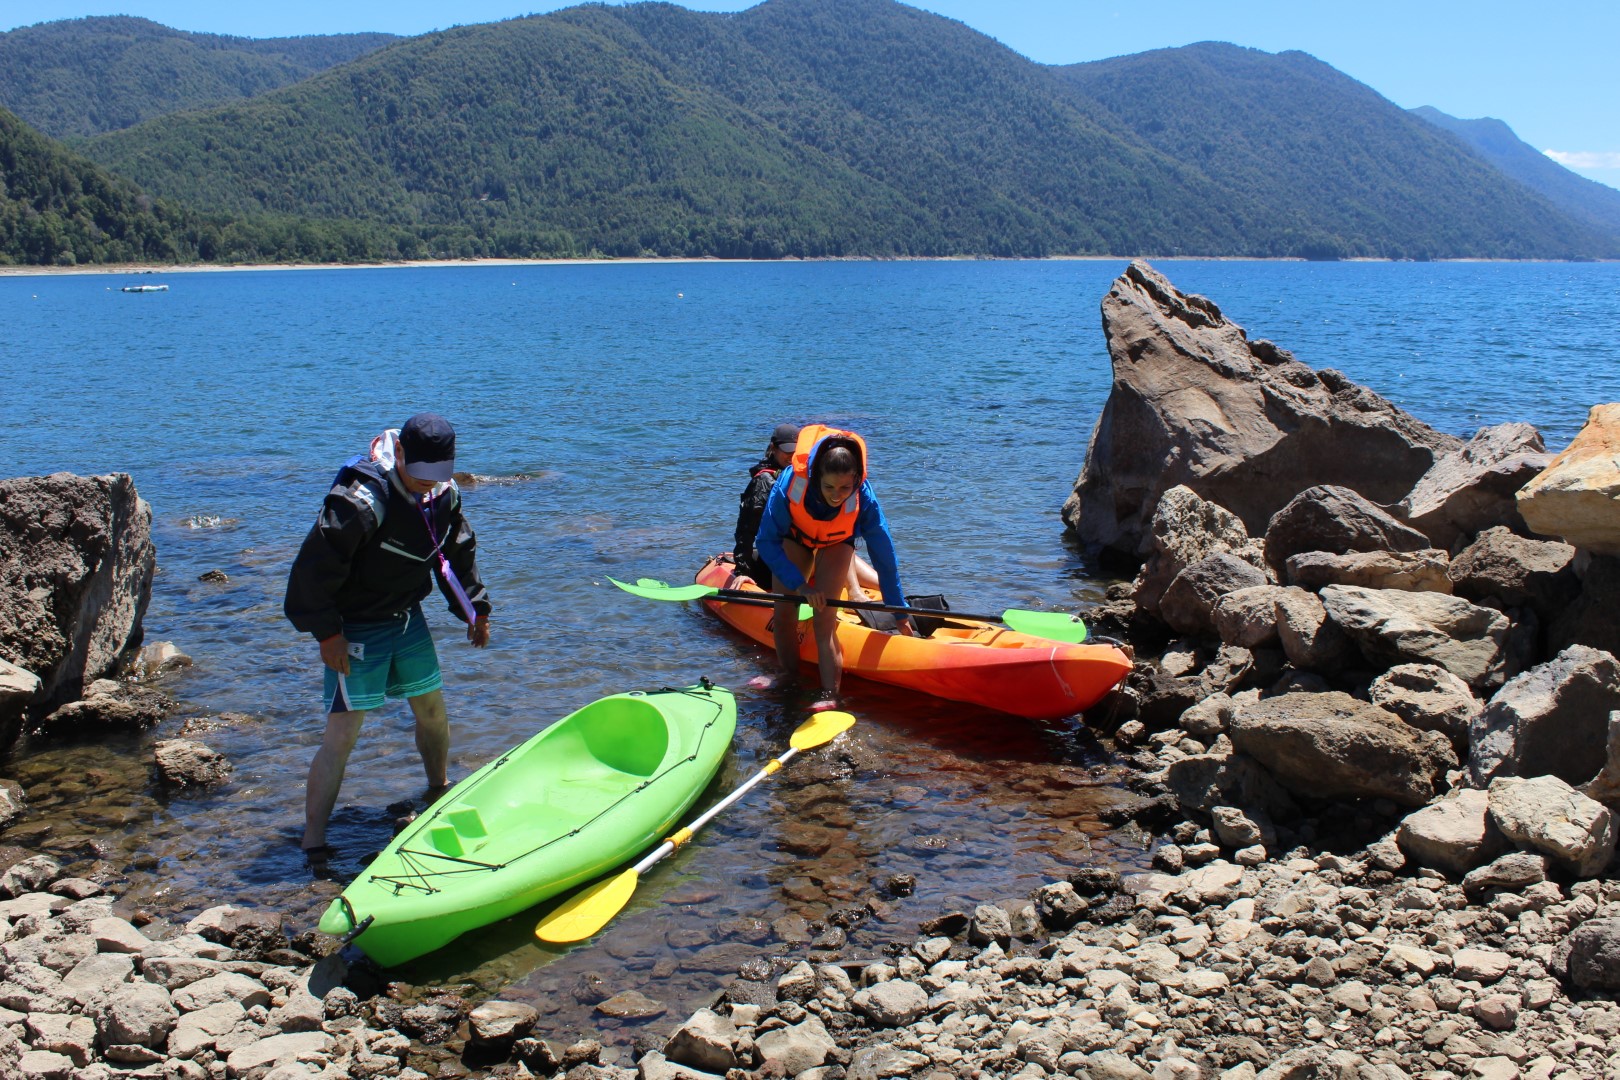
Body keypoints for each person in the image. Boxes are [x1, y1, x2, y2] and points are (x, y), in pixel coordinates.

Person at [284, 412, 492, 857]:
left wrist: (475, 610)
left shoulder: (444, 494)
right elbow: (311, 571)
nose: (426, 484)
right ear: (399, 454)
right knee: (342, 734)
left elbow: (457, 554)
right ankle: (313, 840)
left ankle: (438, 790)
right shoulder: (359, 502)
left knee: (432, 710)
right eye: (418, 473)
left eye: (437, 475)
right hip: (354, 625)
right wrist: (327, 635)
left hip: (405, 616)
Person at [754, 424, 912, 705]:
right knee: (785, 611)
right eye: (829, 487)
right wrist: (799, 585)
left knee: (824, 619)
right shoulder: (790, 484)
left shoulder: (865, 497)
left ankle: (830, 696)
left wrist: (898, 610)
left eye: (844, 488)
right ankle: (787, 676)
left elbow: (885, 557)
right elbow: (766, 541)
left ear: (856, 480)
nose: (837, 495)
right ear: (816, 478)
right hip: (795, 539)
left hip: (836, 542)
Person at [734, 422, 880, 597]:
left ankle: (884, 588)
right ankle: (856, 590)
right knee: (833, 544)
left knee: (837, 540)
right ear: (773, 448)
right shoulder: (764, 481)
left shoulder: (809, 479)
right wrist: (742, 571)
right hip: (779, 562)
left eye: (795, 450)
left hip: (809, 557)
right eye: (787, 450)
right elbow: (746, 529)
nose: (792, 455)